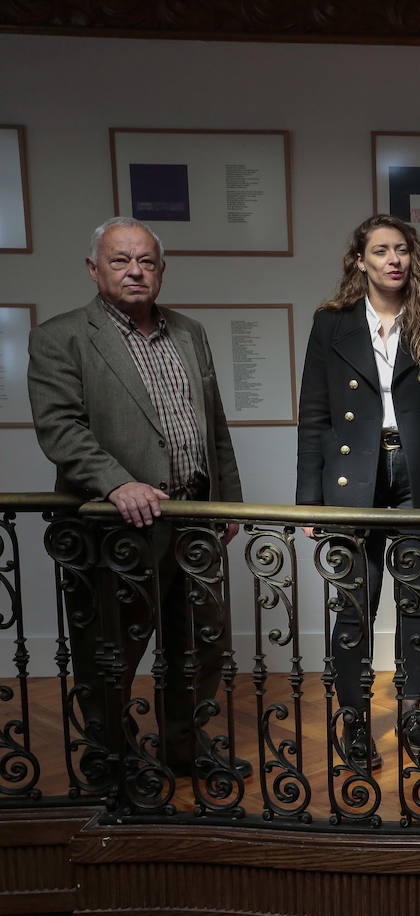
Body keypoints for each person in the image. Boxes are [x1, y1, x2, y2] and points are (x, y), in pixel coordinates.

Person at [27, 216, 243, 780]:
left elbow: (214, 426)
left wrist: (229, 501)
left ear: (161, 270)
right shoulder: (60, 337)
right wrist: (117, 482)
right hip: (115, 529)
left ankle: (183, 748)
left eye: (146, 261)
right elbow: (60, 428)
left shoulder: (189, 332)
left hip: (195, 518)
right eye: (120, 260)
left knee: (200, 644)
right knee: (110, 651)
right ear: (93, 268)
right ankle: (112, 759)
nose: (134, 271)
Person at [296, 214, 420, 770]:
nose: (393, 260)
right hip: (354, 474)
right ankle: (354, 720)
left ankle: (410, 713)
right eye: (380, 251)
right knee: (356, 604)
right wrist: (309, 499)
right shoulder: (331, 324)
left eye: (401, 249)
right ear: (360, 260)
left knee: (417, 600)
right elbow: (314, 416)